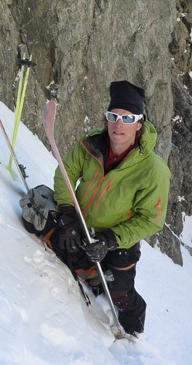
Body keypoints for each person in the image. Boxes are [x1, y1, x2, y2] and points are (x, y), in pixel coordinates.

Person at [26, 81, 170, 336]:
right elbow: (66, 172)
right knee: (48, 237)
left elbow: (151, 220)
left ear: (140, 124)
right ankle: (90, 272)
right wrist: (68, 211)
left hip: (117, 241)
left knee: (120, 293)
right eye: (113, 116)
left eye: (128, 118)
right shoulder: (91, 144)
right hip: (79, 221)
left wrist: (109, 240)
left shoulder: (153, 170)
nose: (118, 124)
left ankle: (134, 330)